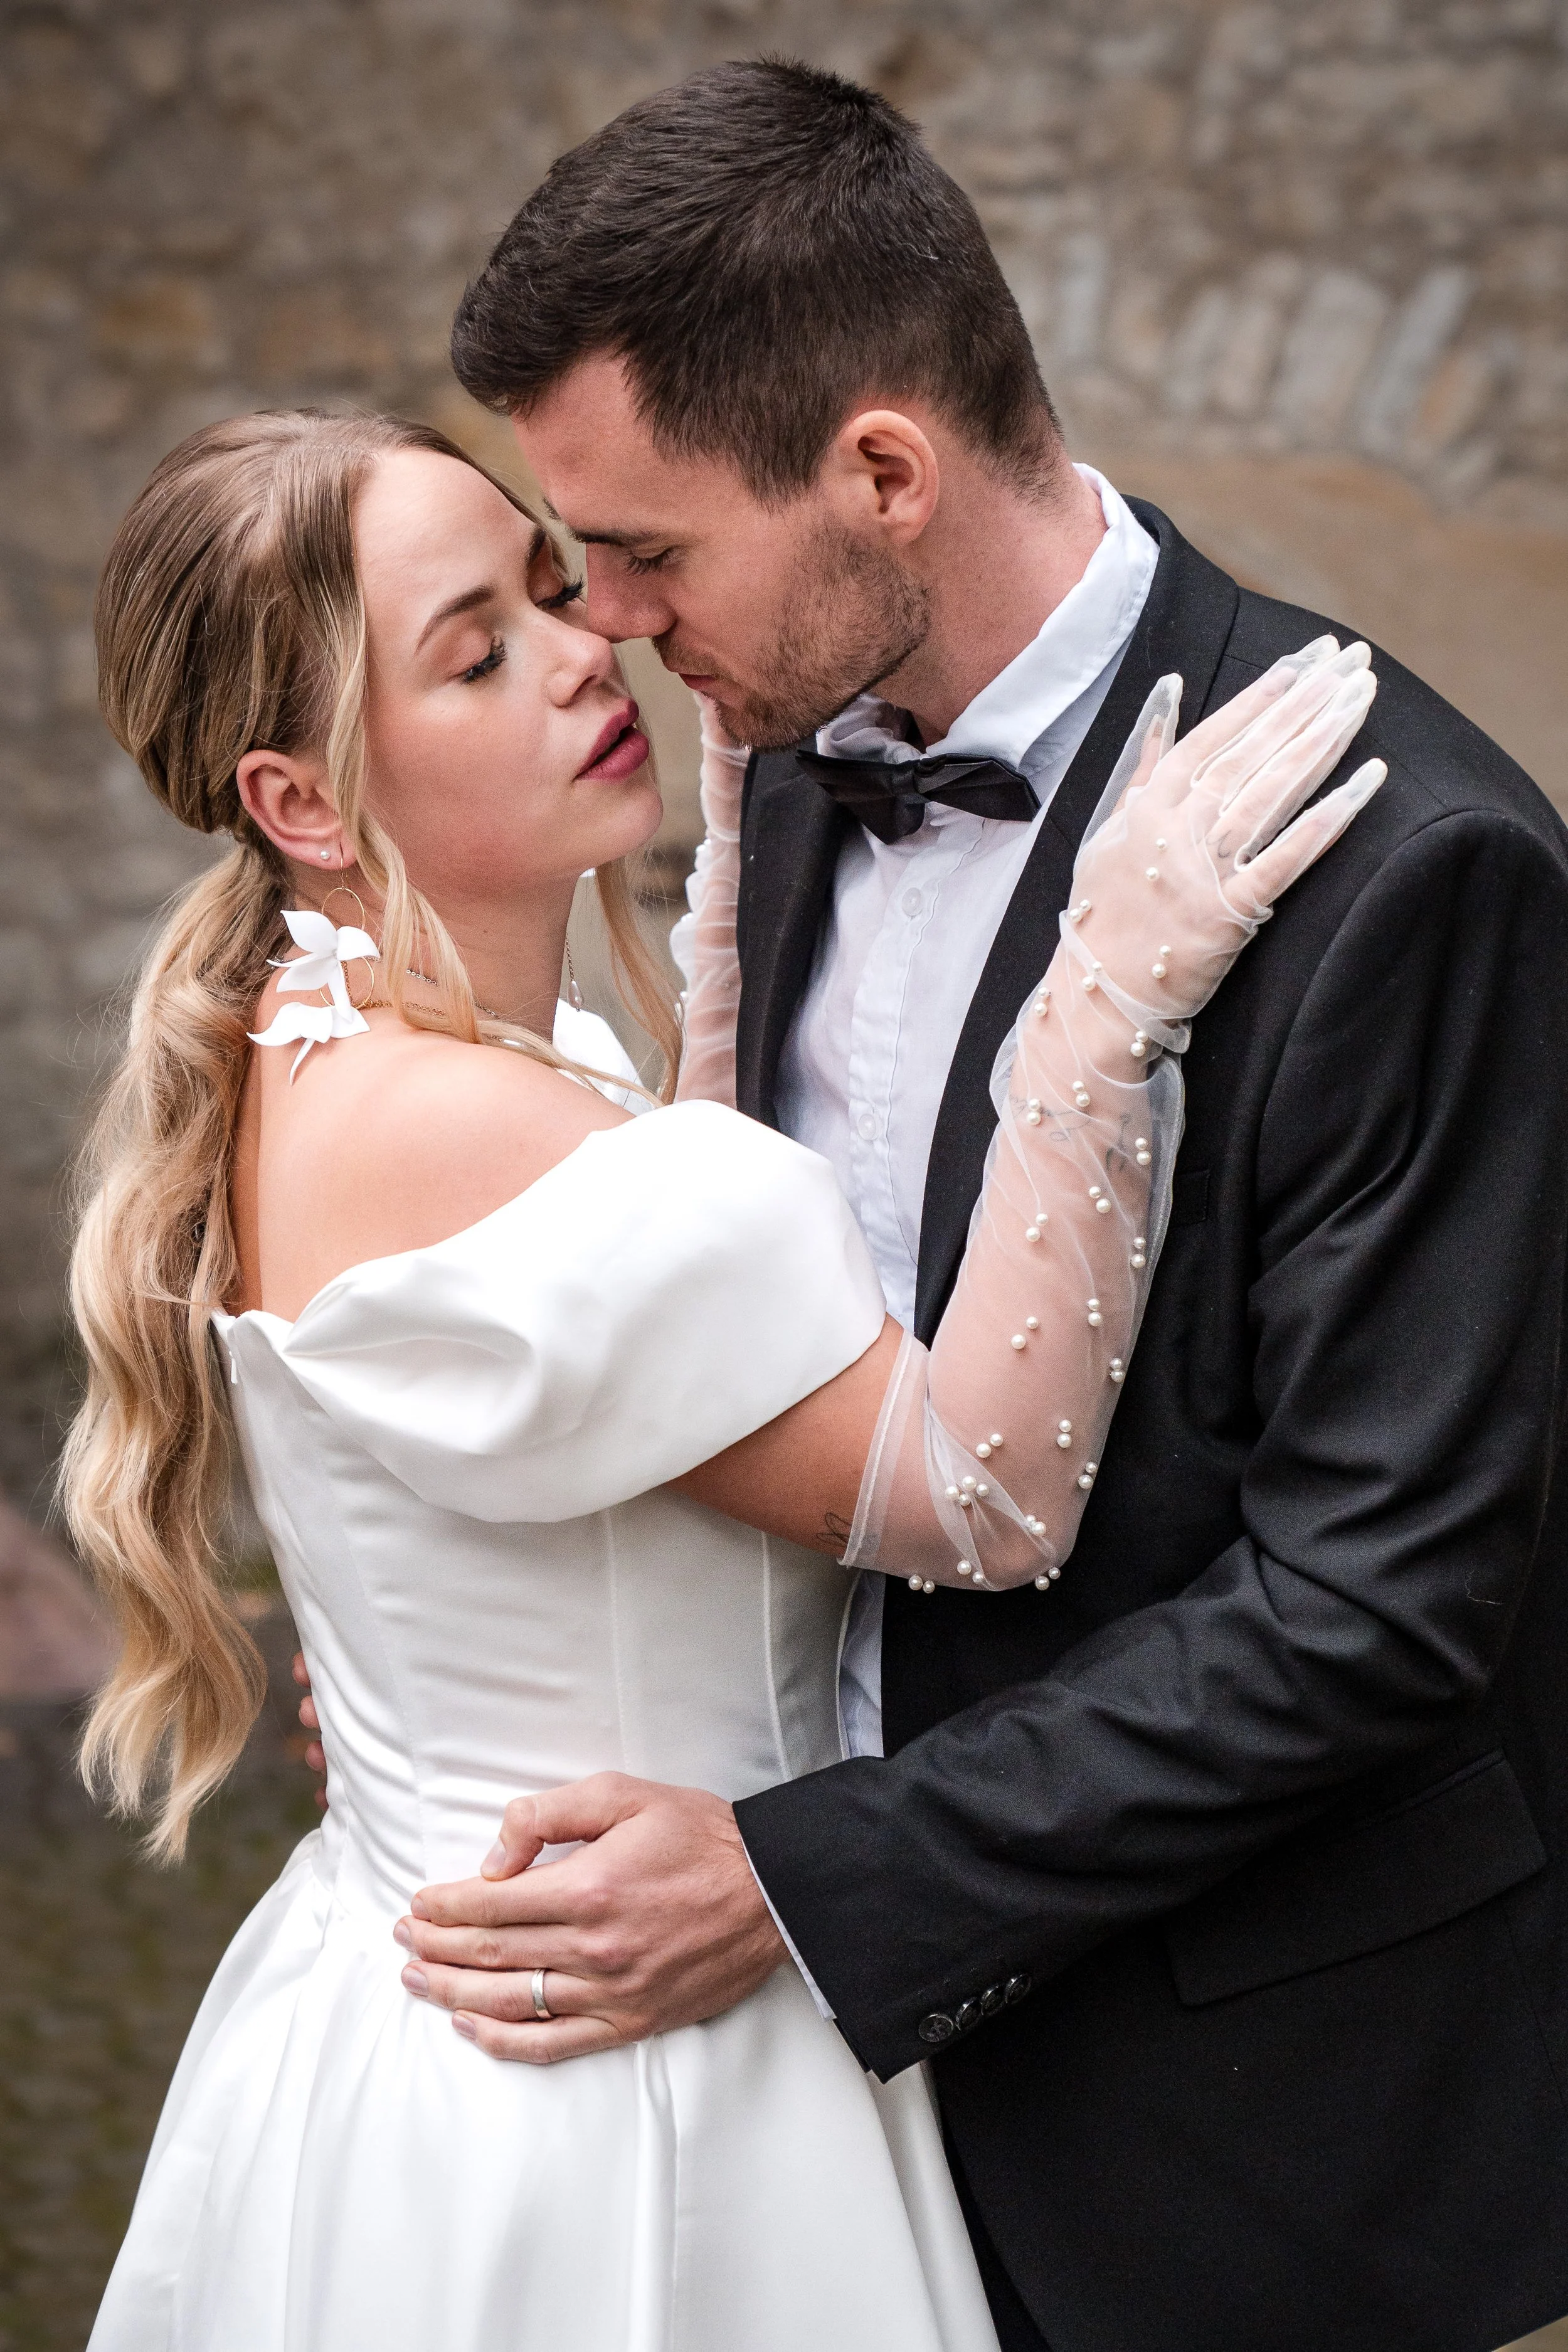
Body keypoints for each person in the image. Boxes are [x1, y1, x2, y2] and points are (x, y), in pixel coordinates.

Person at [401, 58, 1568, 2352]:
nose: (606, 623)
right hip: (788, 2116)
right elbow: (778, 1364)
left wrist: (801, 1882)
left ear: (881, 474)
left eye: (645, 551)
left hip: (1232, 2122)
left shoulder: (1423, 869)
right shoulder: (784, 750)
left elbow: (1370, 1604)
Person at [68, 404, 1370, 2351]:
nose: (583, 647)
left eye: (549, 584)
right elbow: (979, 1496)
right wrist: (1095, 1009)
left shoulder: (326, 1049)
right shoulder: (474, 1130)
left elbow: (611, 1379)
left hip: (408, 2017)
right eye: (475, 653)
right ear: (305, 801)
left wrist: (726, 973)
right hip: (623, 2090)